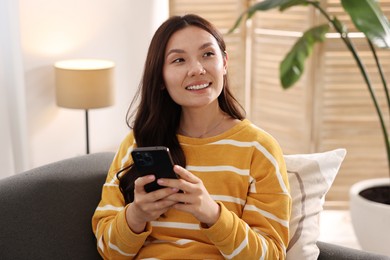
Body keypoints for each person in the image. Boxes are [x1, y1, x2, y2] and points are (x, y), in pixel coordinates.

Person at [92, 14, 291, 259]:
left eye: (208, 54)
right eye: (179, 60)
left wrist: (212, 214)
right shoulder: (137, 143)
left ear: (225, 63)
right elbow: (109, 252)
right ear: (161, 78)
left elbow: (271, 255)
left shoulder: (259, 149)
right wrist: (136, 216)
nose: (197, 69)